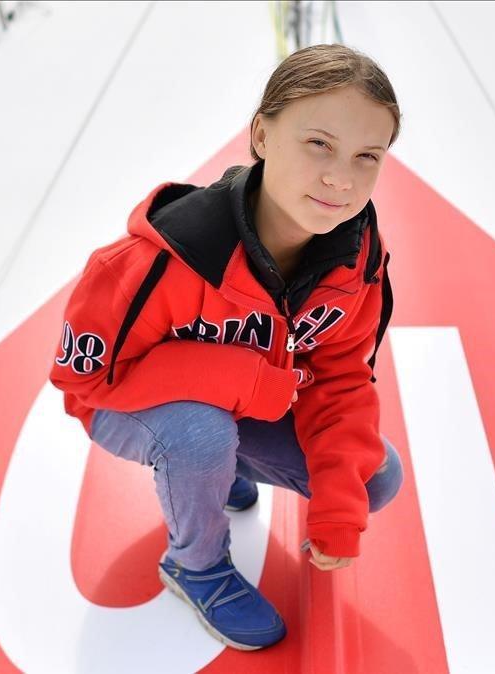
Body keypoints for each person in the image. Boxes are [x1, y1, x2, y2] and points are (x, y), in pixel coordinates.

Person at [48, 44, 404, 651]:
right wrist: (238, 380)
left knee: (373, 480)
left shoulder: (356, 261)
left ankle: (225, 465)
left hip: (247, 404)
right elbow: (84, 383)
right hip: (127, 405)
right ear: (262, 135)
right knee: (198, 434)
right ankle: (196, 563)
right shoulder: (153, 261)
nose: (342, 178)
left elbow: (341, 379)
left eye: (366, 155)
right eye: (319, 143)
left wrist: (338, 512)